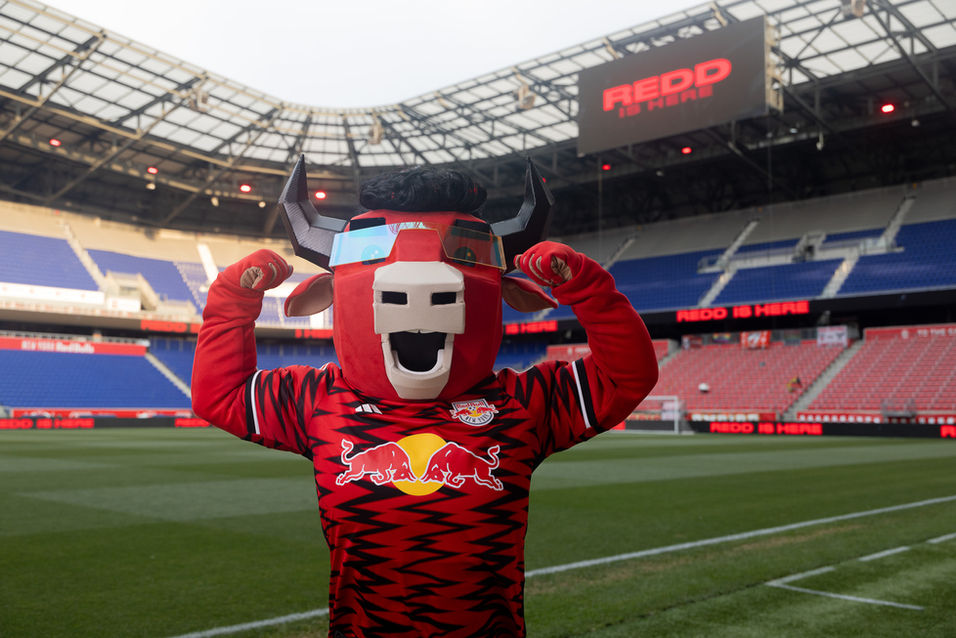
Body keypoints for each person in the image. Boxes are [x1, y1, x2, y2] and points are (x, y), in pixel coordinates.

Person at [191, 158, 659, 637]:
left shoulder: (521, 404)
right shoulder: (318, 400)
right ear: (329, 293)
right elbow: (221, 395)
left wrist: (590, 290)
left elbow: (625, 377)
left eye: (462, 251)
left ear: (504, 293)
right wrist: (232, 303)